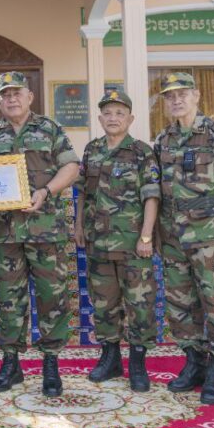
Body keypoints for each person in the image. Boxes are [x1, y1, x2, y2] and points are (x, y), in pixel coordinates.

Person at [0, 71, 79, 398]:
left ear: (30, 97)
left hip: (46, 229)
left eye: (17, 93)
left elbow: (72, 167)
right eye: (5, 94)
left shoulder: (50, 128)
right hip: (6, 233)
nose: (12, 99)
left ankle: (50, 363)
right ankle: (11, 363)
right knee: (9, 299)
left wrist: (46, 191)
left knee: (52, 297)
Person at [153, 72, 214, 405]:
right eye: (170, 96)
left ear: (196, 96)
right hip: (173, 235)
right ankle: (195, 362)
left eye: (182, 94)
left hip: (210, 235)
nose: (176, 100)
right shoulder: (163, 139)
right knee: (180, 303)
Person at [74, 90, 160, 392]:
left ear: (130, 119)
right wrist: (79, 225)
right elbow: (83, 193)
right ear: (100, 119)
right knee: (104, 303)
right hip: (98, 242)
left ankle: (138, 363)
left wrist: (146, 235)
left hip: (133, 244)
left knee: (139, 304)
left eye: (119, 113)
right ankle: (110, 358)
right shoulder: (92, 150)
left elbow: (151, 196)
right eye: (108, 113)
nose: (113, 118)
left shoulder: (141, 152)